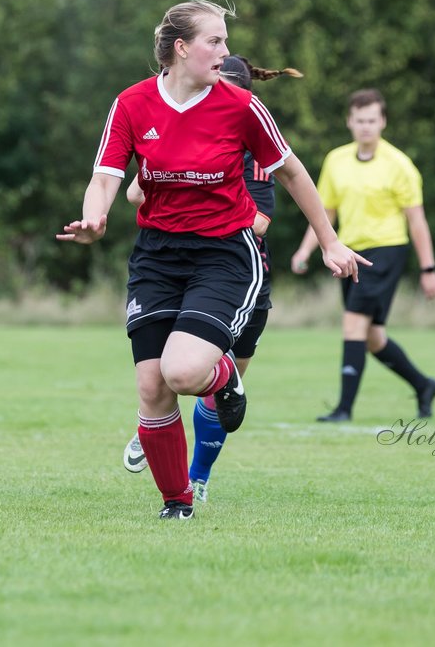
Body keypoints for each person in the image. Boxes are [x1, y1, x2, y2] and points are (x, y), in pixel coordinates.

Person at [58, 0, 368, 519]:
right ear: (181, 48)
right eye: (215, 42)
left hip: (224, 252)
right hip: (157, 254)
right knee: (151, 385)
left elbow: (291, 173)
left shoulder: (241, 106)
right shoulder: (132, 104)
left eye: (224, 42)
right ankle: (177, 504)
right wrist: (95, 219)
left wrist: (330, 241)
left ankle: (225, 377)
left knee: (182, 373)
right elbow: (106, 175)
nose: (226, 54)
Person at [120, 54, 303, 504]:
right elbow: (132, 191)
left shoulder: (252, 148)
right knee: (165, 377)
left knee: (210, 392)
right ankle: (158, 441)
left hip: (238, 273)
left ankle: (199, 476)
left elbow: (260, 221)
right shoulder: (179, 126)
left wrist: (210, 192)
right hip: (174, 264)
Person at [290, 89, 435, 422]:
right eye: (359, 121)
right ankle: (423, 384)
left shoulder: (399, 165)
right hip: (348, 253)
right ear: (349, 122)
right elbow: (325, 212)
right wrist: (305, 249)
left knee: (353, 323)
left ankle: (344, 409)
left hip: (385, 252)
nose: (366, 127)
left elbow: (416, 221)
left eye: (372, 120)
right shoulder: (336, 160)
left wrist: (428, 268)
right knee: (373, 338)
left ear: (383, 121)